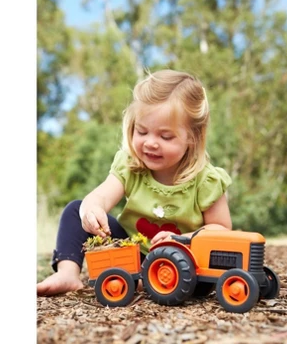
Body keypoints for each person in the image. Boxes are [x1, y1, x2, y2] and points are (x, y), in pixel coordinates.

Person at [37, 69, 233, 296]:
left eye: (165, 136)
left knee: (202, 276)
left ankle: (148, 281)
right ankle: (68, 274)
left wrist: (182, 240)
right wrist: (93, 210)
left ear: (193, 137)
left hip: (183, 261)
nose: (150, 143)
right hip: (132, 253)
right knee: (75, 209)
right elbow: (101, 195)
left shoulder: (205, 179)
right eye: (142, 131)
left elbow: (221, 229)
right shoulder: (131, 165)